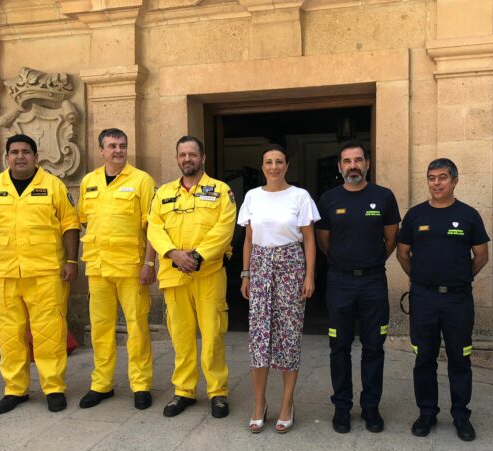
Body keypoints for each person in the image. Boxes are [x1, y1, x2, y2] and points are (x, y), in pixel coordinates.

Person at [0, 134, 80, 413]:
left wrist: (71, 261)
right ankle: (15, 389)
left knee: (50, 333)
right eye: (14, 152)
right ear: (6, 157)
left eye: (26, 152)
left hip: (45, 273)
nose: (20, 156)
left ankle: (53, 387)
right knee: (8, 334)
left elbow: (70, 225)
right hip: (5, 274)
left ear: (35, 156)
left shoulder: (53, 186)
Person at [398, 158, 490, 443]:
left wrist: (459, 278)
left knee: (459, 359)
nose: (436, 183)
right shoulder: (415, 216)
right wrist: (422, 280)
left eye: (442, 178)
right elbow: (403, 254)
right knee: (423, 357)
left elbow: (481, 256)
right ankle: (427, 412)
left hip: (458, 300)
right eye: (431, 178)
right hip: (424, 298)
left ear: (454, 181)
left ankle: (461, 415)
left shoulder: (469, 215)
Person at [147, 135, 236, 418]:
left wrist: (196, 257)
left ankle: (217, 392)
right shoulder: (162, 193)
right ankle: (183, 391)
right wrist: (173, 253)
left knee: (213, 336)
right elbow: (154, 227)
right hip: (174, 275)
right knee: (181, 337)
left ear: (203, 158)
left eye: (193, 154)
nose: (188, 159)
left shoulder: (221, 191)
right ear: (177, 159)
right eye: (183, 154)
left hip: (208, 273)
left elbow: (224, 228)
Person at [315, 139, 400, 434]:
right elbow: (323, 241)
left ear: (367, 163)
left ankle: (371, 407)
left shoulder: (384, 197)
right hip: (339, 282)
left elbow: (391, 240)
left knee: (374, 346)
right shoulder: (328, 199)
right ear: (340, 167)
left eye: (358, 160)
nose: (353, 165)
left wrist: (371, 262)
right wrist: (344, 263)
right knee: (339, 346)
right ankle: (341, 407)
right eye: (347, 161)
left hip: (374, 281)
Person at [238, 144, 319, 433]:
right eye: (269, 162)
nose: (274, 166)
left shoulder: (300, 196)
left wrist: (309, 275)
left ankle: (287, 403)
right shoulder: (252, 196)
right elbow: (248, 238)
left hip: (290, 265)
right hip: (260, 265)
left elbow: (309, 239)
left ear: (287, 166)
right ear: (262, 167)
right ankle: (259, 404)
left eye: (279, 161)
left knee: (288, 335)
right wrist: (245, 274)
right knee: (259, 337)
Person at [77, 128, 157, 411]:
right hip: (97, 267)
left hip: (131, 268)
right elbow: (85, 220)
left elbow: (153, 226)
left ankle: (140, 384)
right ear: (101, 150)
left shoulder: (142, 181)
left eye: (122, 145)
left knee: (137, 328)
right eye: (112, 146)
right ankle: (101, 384)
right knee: (101, 329)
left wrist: (149, 263)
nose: (118, 150)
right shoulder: (89, 182)